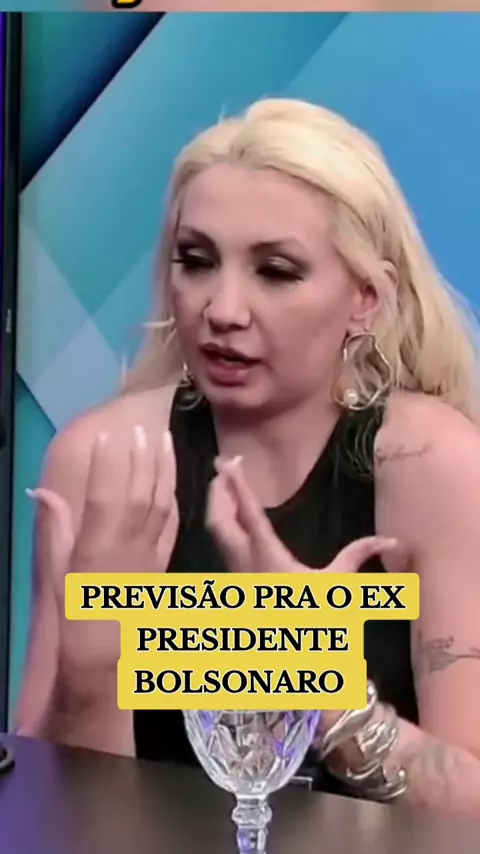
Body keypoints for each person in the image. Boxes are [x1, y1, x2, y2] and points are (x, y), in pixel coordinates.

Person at [14, 98, 480, 814]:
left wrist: (322, 687)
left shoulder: (434, 466)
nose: (223, 310)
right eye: (196, 261)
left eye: (277, 271)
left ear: (364, 297)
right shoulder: (104, 459)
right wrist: (90, 671)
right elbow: (47, 814)